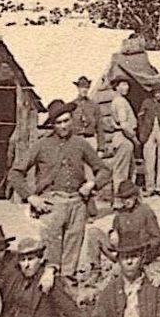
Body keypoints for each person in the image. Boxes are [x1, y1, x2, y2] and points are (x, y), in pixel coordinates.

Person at [29, 103, 98, 283]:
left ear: (72, 120)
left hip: (77, 202)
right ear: (53, 124)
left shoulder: (81, 144)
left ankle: (67, 285)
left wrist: (91, 184)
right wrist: (31, 197)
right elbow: (15, 172)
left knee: (73, 250)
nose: (63, 126)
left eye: (66, 121)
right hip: (51, 203)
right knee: (50, 250)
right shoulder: (41, 145)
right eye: (58, 122)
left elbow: (103, 169)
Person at [99, 182, 160, 268]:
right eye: (123, 199)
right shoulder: (120, 215)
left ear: (135, 196)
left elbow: (157, 238)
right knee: (94, 233)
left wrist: (145, 248)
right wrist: (111, 236)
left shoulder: (145, 211)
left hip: (140, 253)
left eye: (129, 197)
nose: (126, 201)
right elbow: (115, 236)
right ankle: (95, 270)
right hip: (123, 252)